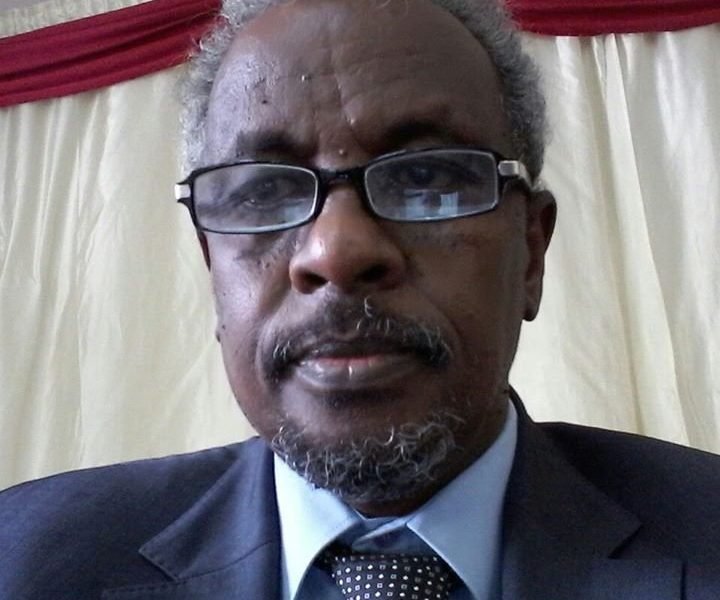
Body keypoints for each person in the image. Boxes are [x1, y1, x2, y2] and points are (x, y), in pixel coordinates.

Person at [1, 0, 718, 598]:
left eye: (426, 178)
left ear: (530, 252)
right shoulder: (25, 560)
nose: (336, 252)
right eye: (265, 190)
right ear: (212, 265)